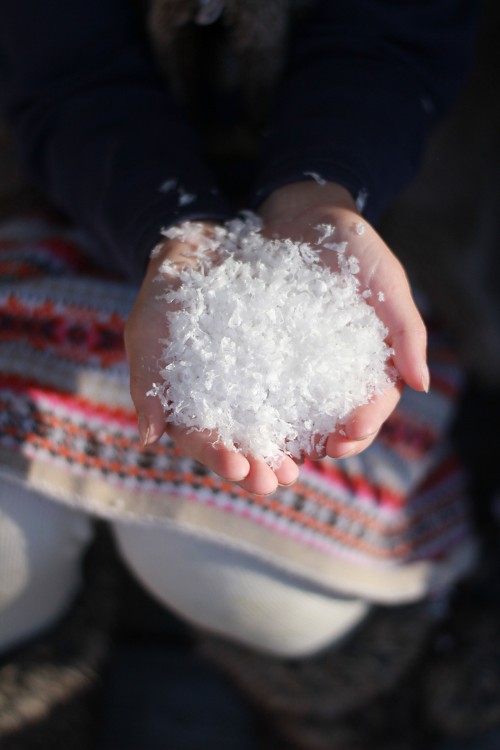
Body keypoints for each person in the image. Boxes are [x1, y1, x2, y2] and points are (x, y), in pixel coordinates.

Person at [0, 0, 478, 678]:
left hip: (384, 206)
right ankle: (44, 682)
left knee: (257, 594)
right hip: (94, 200)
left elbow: (396, 41)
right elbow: (67, 75)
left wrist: (321, 191)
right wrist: (175, 229)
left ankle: (331, 690)